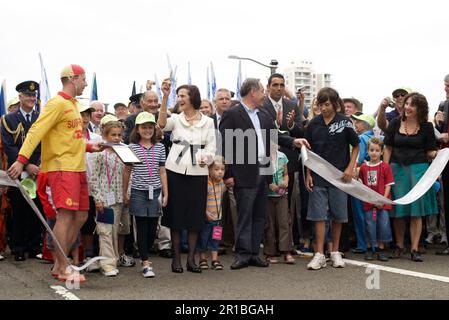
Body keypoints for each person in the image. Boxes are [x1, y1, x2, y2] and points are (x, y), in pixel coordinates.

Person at [7, 64, 103, 282]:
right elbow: (36, 131)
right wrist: (21, 160)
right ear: (72, 79)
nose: (85, 83)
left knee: (81, 216)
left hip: (77, 167)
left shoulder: (73, 104)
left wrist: (89, 147)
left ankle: (60, 263)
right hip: (61, 168)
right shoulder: (56, 103)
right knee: (66, 216)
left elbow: (71, 137)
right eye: (83, 79)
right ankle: (62, 266)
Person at [219, 78, 308, 270]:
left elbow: (275, 136)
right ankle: (242, 254)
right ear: (253, 92)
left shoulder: (264, 114)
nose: (264, 94)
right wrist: (228, 174)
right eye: (261, 90)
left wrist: (294, 141)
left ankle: (253, 254)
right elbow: (225, 145)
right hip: (243, 172)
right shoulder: (233, 114)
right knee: (245, 214)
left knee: (260, 215)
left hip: (264, 169)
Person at [158, 84, 216, 274]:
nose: (179, 99)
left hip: (198, 174)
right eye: (178, 96)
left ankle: (191, 259)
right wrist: (165, 97)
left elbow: (211, 149)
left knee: (194, 218)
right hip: (174, 172)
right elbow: (161, 125)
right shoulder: (175, 118)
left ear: (193, 97)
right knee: (175, 217)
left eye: (182, 95)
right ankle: (176, 259)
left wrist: (206, 159)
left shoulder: (207, 122)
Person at [305, 87, 360, 270]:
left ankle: (335, 251)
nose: (324, 108)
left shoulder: (345, 122)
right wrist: (308, 174)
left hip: (339, 176)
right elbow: (308, 152)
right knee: (318, 215)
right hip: (318, 175)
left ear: (335, 104)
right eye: (321, 104)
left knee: (338, 215)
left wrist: (350, 167)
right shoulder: (313, 124)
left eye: (327, 104)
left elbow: (356, 145)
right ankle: (319, 253)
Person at [383, 92, 439, 262]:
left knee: (416, 211)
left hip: (418, 171)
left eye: (412, 105)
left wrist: (440, 154)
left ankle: (414, 248)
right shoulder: (394, 123)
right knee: (398, 211)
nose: (407, 107)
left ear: (420, 109)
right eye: (407, 104)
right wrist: (385, 170)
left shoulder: (427, 127)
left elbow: (430, 151)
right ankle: (399, 246)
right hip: (396, 170)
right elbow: (388, 148)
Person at [1, 80, 42, 261]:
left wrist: (37, 166)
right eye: (28, 95)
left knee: (36, 209)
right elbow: (9, 147)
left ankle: (34, 246)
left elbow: (44, 145)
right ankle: (18, 247)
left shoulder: (41, 118)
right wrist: (26, 165)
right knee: (18, 209)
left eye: (34, 95)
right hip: (17, 170)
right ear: (20, 97)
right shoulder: (8, 119)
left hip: (38, 170)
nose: (31, 98)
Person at [123, 112, 168, 278]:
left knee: (152, 230)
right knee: (141, 227)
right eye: (144, 127)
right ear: (138, 129)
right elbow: (127, 171)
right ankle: (146, 262)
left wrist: (166, 193)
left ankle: (145, 252)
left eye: (150, 127)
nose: (147, 130)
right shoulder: (132, 147)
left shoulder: (160, 147)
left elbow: (162, 171)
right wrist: (124, 192)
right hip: (138, 192)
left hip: (155, 191)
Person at [89, 120, 126, 277]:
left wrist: (127, 193)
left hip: (117, 198)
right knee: (104, 231)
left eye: (119, 135)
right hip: (103, 198)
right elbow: (94, 178)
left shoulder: (125, 152)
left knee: (114, 230)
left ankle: (113, 259)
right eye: (113, 135)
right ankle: (107, 264)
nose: (116, 138)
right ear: (105, 135)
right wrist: (98, 198)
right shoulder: (99, 154)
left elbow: (129, 174)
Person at [358, 138, 394, 261]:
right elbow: (361, 183)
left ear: (382, 152)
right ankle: (370, 248)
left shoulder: (385, 167)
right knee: (369, 224)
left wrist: (383, 199)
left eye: (377, 150)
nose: (374, 153)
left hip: (382, 203)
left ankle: (381, 248)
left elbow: (388, 184)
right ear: (367, 151)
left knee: (383, 225)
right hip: (369, 202)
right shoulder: (363, 167)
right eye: (371, 150)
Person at [350, 112, 376, 254]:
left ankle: (362, 244)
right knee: (374, 212)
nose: (356, 124)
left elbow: (357, 160)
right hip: (375, 179)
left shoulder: (360, 139)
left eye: (358, 122)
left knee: (360, 212)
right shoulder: (377, 138)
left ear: (365, 124)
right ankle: (375, 243)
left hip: (360, 179)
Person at [264, 147, 295, 264]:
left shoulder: (282, 156)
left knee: (284, 222)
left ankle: (286, 251)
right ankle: (269, 252)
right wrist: (269, 184)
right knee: (269, 224)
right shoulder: (263, 156)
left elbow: (286, 174)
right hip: (268, 195)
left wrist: (286, 182)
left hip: (282, 194)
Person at [197, 156, 226, 271]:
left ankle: (215, 260)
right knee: (203, 239)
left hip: (218, 220)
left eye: (222, 169)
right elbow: (200, 201)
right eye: (216, 169)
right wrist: (205, 213)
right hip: (207, 219)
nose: (220, 172)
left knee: (216, 239)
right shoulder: (206, 184)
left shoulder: (222, 184)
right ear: (209, 170)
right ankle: (202, 259)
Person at [435, 74, 449, 254]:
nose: (446, 88)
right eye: (445, 85)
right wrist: (438, 124)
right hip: (446, 157)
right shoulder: (443, 105)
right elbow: (440, 133)